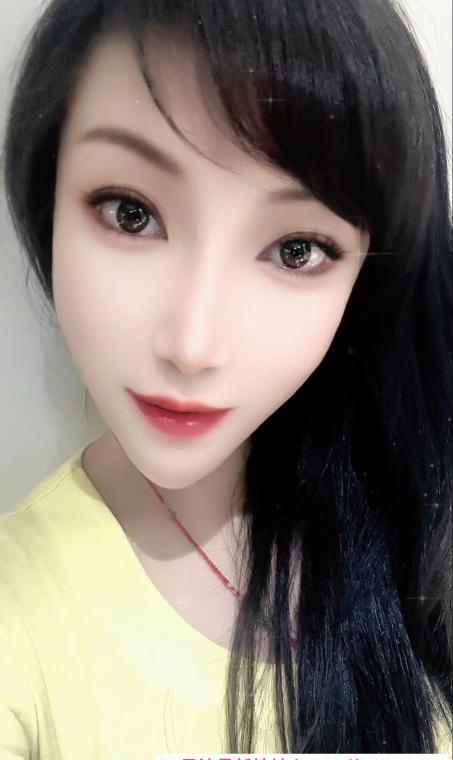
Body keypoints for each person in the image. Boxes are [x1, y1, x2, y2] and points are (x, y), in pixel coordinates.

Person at [1, 0, 451, 755]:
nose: (193, 346)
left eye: (297, 250)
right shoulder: (20, 624)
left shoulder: (418, 501)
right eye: (132, 213)